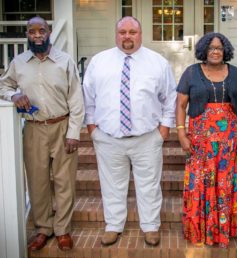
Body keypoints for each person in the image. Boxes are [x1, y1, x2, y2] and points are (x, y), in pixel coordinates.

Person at [82, 16, 177, 246]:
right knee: (112, 184)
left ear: (140, 34)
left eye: (132, 32)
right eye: (122, 32)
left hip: (146, 138)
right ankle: (113, 225)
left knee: (149, 185)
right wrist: (93, 129)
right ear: (116, 35)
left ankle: (151, 226)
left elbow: (170, 97)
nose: (127, 36)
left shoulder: (157, 63)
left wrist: (164, 129)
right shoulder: (99, 62)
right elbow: (88, 97)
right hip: (108, 138)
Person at [0, 17, 84, 251]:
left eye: (41, 31)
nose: (37, 35)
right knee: (37, 181)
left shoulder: (64, 61)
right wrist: (13, 96)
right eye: (32, 31)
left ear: (49, 32)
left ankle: (62, 229)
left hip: (62, 126)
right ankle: (43, 229)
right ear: (27, 34)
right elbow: (3, 86)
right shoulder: (19, 62)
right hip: (34, 129)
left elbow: (76, 99)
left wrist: (74, 132)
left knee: (65, 181)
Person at [176, 32, 237, 248]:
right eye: (211, 48)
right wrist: (181, 133)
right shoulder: (191, 73)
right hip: (200, 140)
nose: (215, 51)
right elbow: (180, 105)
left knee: (225, 181)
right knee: (201, 182)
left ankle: (223, 229)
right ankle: (200, 228)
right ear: (203, 51)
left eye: (219, 48)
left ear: (225, 50)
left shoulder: (236, 74)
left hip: (227, 141)